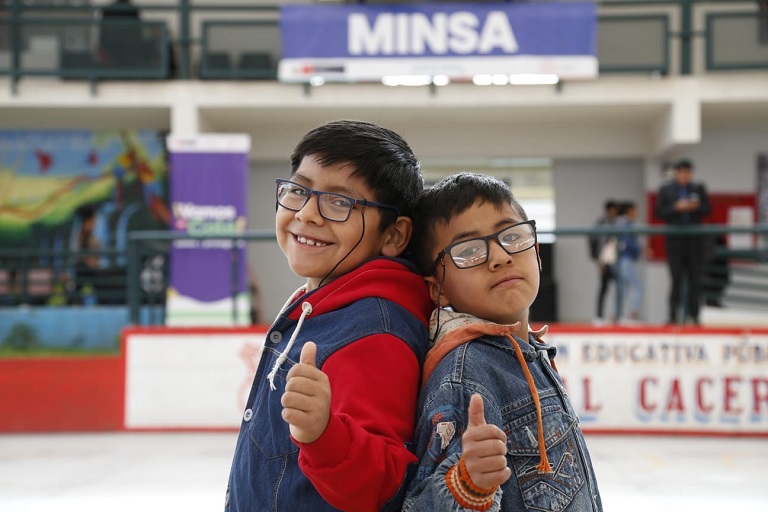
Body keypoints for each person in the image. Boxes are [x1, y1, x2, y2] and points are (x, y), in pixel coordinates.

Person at [224, 120, 433, 511]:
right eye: (298, 190)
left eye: (340, 202)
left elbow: (381, 485)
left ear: (394, 236)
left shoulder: (374, 332)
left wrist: (323, 434)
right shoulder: (325, 303)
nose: (307, 214)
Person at [404, 172, 603, 512]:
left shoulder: (529, 352)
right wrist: (468, 485)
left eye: (512, 236)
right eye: (468, 250)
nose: (500, 256)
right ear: (437, 288)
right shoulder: (467, 376)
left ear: (536, 252)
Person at [655, 159, 712, 325]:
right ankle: (674, 317)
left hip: (695, 241)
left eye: (688, 172)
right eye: (681, 172)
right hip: (675, 241)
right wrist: (676, 207)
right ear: (676, 173)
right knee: (676, 279)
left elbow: (708, 209)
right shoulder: (666, 190)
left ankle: (694, 316)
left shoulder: (698, 188)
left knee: (695, 279)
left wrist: (695, 207)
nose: (685, 176)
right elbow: (659, 212)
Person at [588, 200, 619, 325]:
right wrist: (599, 260)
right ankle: (599, 315)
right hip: (605, 260)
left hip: (616, 260)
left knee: (619, 288)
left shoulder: (617, 222)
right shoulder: (601, 223)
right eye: (613, 210)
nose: (615, 212)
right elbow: (598, 243)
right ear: (608, 210)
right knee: (604, 288)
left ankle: (616, 314)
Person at [614, 201, 644, 323]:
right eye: (634, 210)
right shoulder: (625, 224)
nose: (636, 213)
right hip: (625, 259)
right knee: (637, 286)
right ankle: (633, 314)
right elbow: (628, 243)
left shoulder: (619, 223)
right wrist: (641, 250)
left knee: (623, 288)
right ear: (629, 211)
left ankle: (616, 314)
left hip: (623, 260)